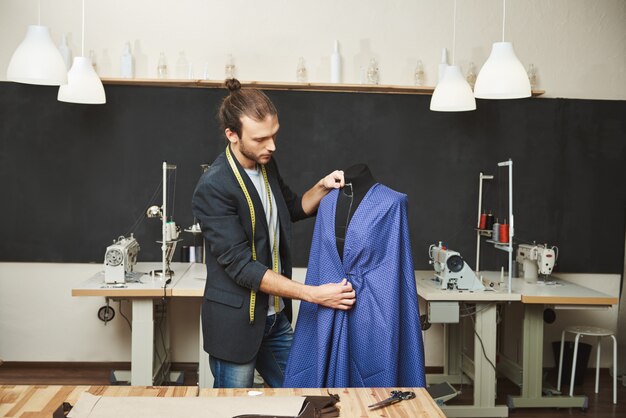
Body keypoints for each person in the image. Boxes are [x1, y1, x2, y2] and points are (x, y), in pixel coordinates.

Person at [192, 78, 356, 388]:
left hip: (274, 319)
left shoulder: (265, 164)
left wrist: (324, 185)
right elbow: (242, 267)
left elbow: (293, 208)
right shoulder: (213, 187)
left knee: (305, 395)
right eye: (260, 139)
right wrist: (315, 294)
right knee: (232, 411)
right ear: (232, 135)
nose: (272, 146)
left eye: (274, 135)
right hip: (235, 328)